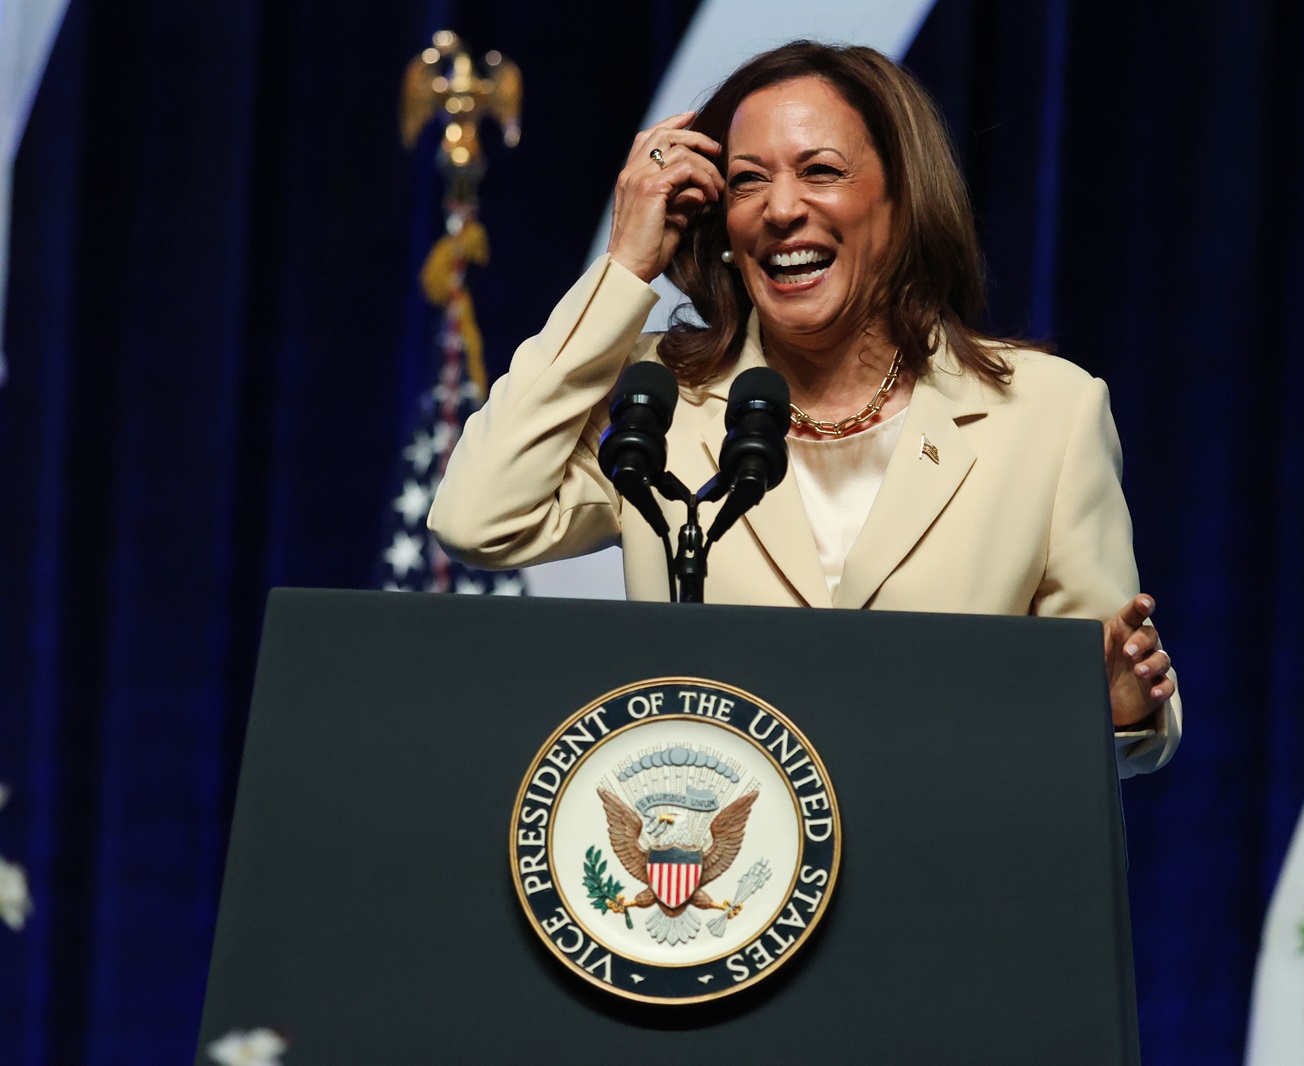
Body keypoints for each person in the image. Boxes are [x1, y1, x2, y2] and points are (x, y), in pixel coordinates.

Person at [429, 41, 1180, 776]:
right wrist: (627, 265)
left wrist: (1117, 710)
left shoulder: (1046, 412)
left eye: (821, 171)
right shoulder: (660, 399)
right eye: (748, 182)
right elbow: (479, 518)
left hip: (945, 874)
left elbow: (1108, 702)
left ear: (902, 199)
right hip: (721, 881)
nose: (781, 210)